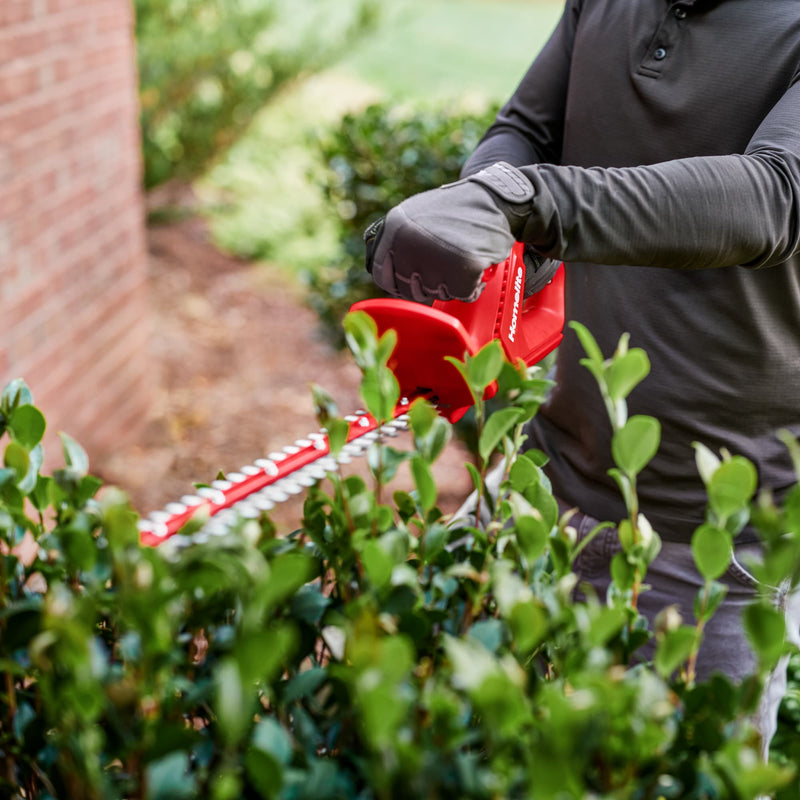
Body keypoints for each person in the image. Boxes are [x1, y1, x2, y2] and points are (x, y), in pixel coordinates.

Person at [363, 0, 800, 752]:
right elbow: (529, 130)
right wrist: (492, 231)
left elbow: (774, 197)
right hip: (546, 482)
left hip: (719, 544)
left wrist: (526, 202)